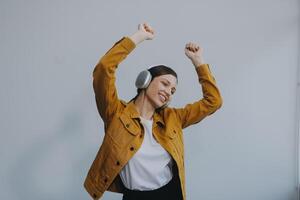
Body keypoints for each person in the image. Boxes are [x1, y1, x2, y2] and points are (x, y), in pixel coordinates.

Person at [84, 23, 222, 200]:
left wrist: (198, 61)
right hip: (134, 196)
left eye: (173, 90)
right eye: (165, 83)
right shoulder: (116, 112)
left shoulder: (174, 118)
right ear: (145, 81)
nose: (168, 92)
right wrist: (139, 37)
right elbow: (103, 69)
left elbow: (214, 101)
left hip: (170, 194)